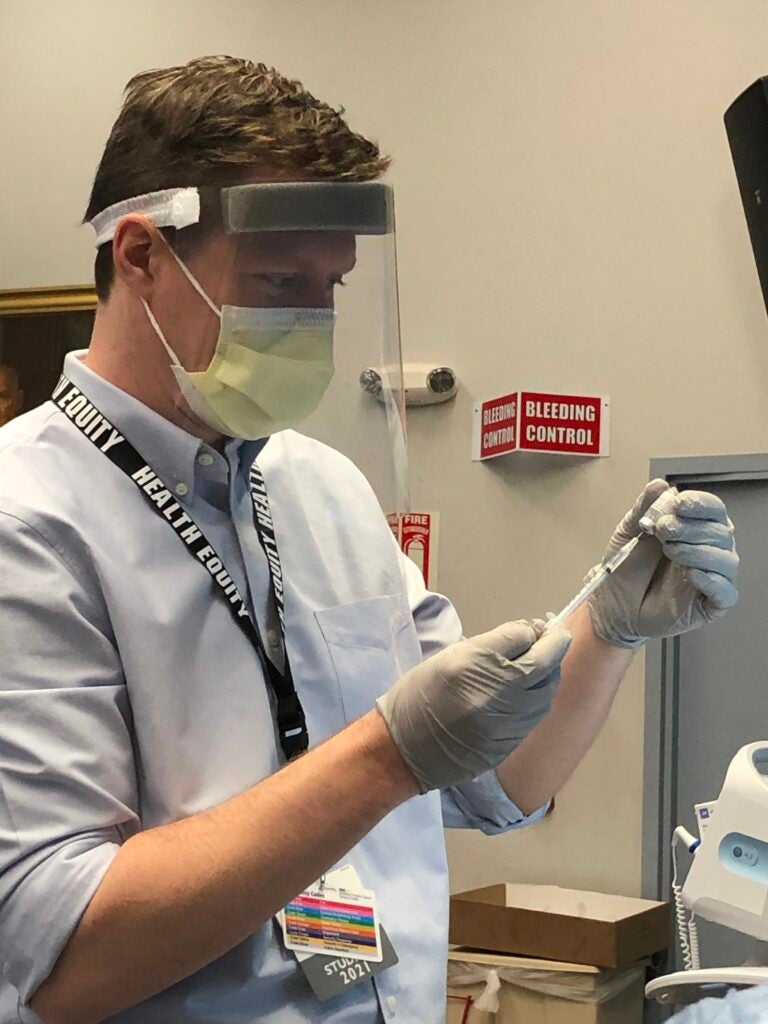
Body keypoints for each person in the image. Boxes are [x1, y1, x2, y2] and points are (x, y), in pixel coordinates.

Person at [0, 56, 739, 1024]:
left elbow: (495, 783)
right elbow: (65, 959)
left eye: (334, 284)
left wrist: (607, 630)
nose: (313, 319)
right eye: (277, 278)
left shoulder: (319, 488)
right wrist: (383, 758)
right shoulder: (28, 517)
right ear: (140, 253)